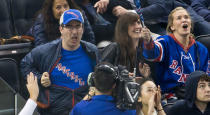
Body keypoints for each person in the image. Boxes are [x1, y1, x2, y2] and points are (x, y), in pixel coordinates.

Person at [21, 9, 99, 115]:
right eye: (69, 26)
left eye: (77, 26)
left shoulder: (92, 51)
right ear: (61, 29)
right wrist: (39, 78)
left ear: (83, 29)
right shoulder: (46, 51)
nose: (74, 31)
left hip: (84, 110)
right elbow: (25, 64)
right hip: (55, 111)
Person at [141, 7, 210, 99]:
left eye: (186, 17)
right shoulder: (164, 42)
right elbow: (152, 54)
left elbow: (206, 76)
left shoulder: (201, 49)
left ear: (190, 24)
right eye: (179, 18)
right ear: (172, 26)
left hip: (195, 96)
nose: (184, 20)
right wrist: (148, 41)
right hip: (170, 96)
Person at [70, 62, 136, 115]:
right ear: (114, 85)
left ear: (92, 82)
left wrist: (90, 93)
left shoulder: (80, 109)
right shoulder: (128, 111)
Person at [101, 12, 151, 78]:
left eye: (138, 23)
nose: (137, 27)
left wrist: (145, 77)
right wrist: (119, 73)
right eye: (132, 24)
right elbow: (101, 71)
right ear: (124, 28)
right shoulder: (114, 47)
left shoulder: (145, 49)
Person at [28, 0, 95, 46]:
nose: (63, 11)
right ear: (51, 9)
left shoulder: (79, 14)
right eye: (58, 7)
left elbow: (90, 39)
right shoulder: (42, 20)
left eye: (66, 6)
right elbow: (41, 48)